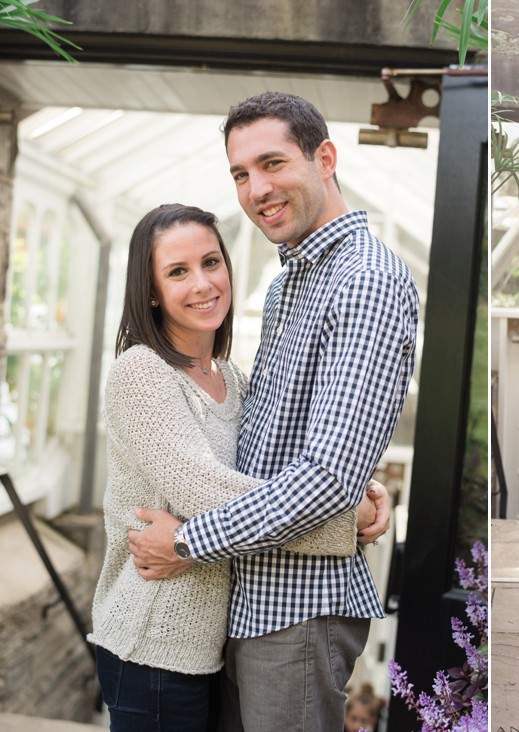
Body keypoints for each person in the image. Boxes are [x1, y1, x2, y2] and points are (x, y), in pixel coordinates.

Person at [126, 92, 419, 730]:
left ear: (325, 158)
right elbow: (273, 434)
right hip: (248, 597)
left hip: (298, 607)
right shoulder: (291, 279)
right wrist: (362, 490)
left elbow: (325, 477)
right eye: (240, 174)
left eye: (272, 163)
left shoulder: (363, 278)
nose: (256, 188)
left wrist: (187, 542)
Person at [89, 203, 383, 731]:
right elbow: (209, 490)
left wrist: (356, 483)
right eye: (178, 272)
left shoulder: (231, 379)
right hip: (154, 648)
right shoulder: (141, 372)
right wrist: (344, 519)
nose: (203, 283)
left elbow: (273, 469)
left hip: (214, 648)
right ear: (151, 291)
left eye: (211, 262)